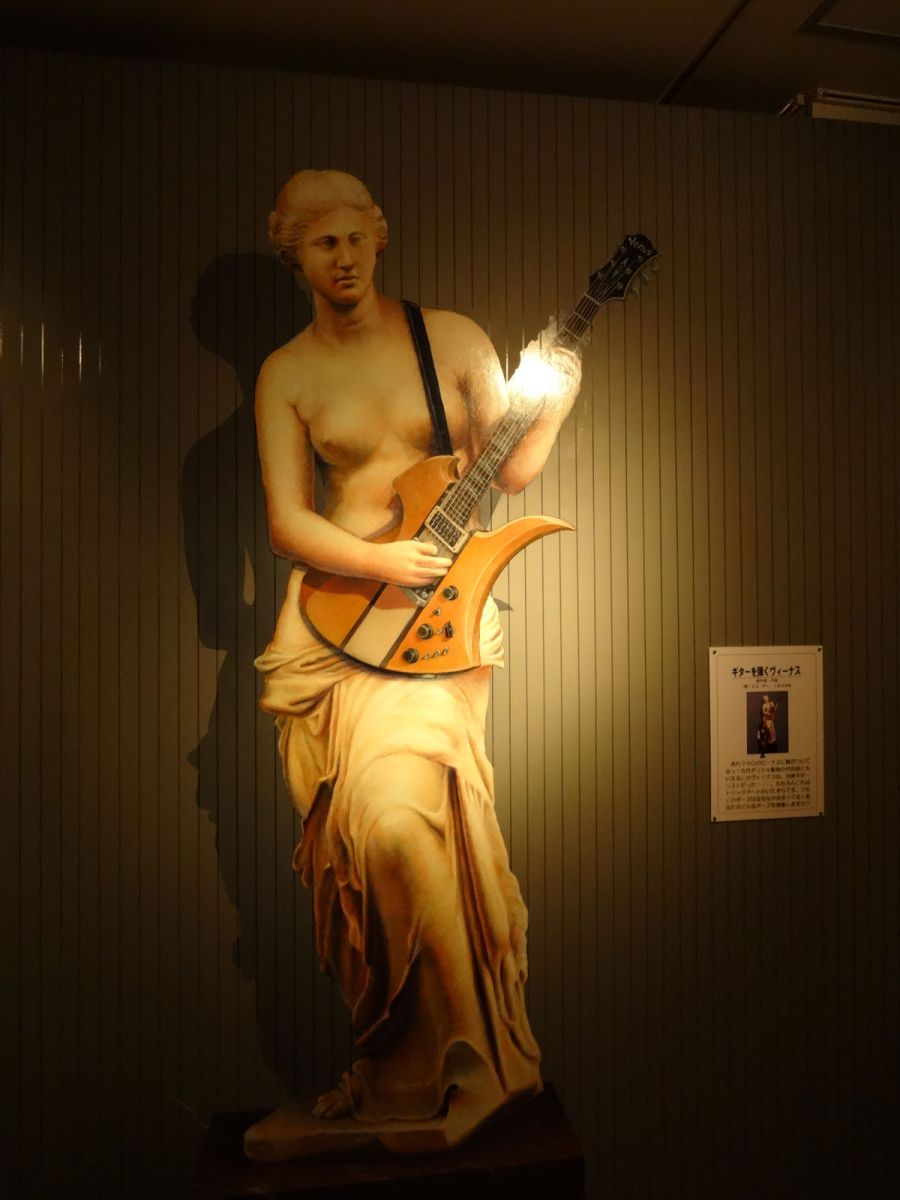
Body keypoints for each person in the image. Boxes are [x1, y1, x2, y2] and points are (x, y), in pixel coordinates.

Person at [253, 169, 579, 1142]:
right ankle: (400, 1071)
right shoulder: (287, 374)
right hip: (334, 627)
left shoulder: (452, 340)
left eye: (356, 238)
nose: (345, 259)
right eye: (323, 245)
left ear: (380, 236)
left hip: (436, 622)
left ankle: (476, 1059)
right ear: (297, 258)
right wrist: (379, 559)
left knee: (404, 824)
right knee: (358, 852)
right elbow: (287, 524)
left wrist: (559, 394)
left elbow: (508, 471)